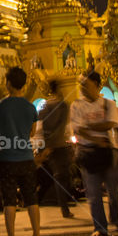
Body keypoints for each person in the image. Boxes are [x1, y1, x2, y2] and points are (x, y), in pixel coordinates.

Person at [71, 70, 118, 236]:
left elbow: (111, 123)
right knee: (93, 193)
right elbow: (78, 129)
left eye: (86, 85)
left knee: (113, 190)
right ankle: (99, 226)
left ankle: (117, 220)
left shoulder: (107, 104)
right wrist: (96, 136)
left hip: (108, 151)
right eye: (80, 85)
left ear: (96, 85)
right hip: (87, 151)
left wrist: (88, 127)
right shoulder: (76, 105)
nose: (82, 88)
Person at [0, 67, 43, 236]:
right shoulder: (30, 107)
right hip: (27, 157)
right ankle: (37, 235)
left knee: (9, 199)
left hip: (7, 159)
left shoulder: (0, 106)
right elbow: (32, 132)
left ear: (8, 83)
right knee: (31, 198)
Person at [36, 79, 75, 218]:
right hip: (58, 145)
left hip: (47, 144)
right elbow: (63, 127)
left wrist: (43, 145)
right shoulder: (63, 105)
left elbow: (40, 126)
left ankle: (59, 205)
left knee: (54, 176)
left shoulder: (44, 106)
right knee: (61, 176)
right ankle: (64, 208)